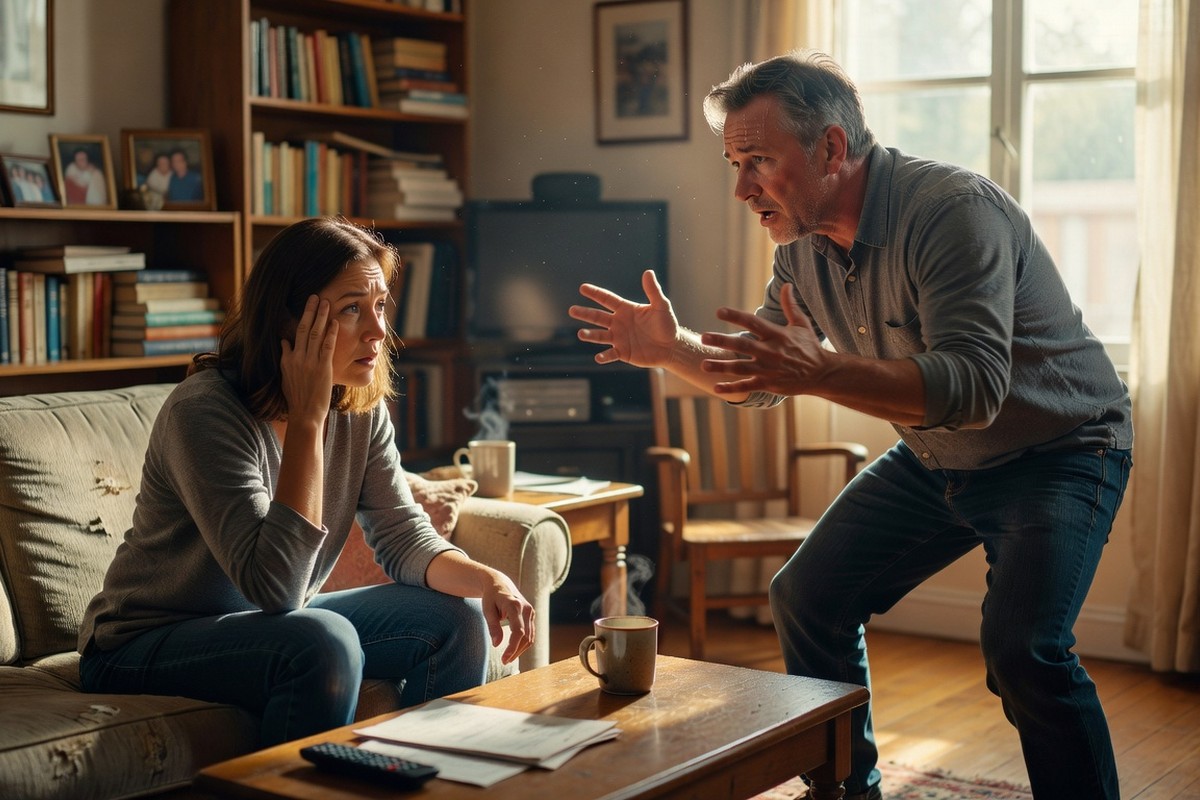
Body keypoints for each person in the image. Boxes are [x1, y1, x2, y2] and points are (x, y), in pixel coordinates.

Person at [569, 50, 1132, 800]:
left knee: (1024, 651)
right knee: (808, 597)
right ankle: (844, 791)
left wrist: (822, 373)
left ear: (831, 148)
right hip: (938, 454)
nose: (741, 189)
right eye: (734, 164)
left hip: (1059, 449)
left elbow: (974, 388)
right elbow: (765, 377)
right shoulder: (799, 250)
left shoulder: (953, 212)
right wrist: (675, 351)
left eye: (759, 161)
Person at [79, 216, 536, 747]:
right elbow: (277, 588)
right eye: (352, 309)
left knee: (458, 616)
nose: (379, 331)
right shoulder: (204, 413)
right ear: (290, 320)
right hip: (141, 642)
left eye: (380, 305)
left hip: (268, 626)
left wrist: (488, 580)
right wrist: (308, 419)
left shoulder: (359, 407)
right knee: (324, 640)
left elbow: (402, 536)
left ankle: (423, 771)